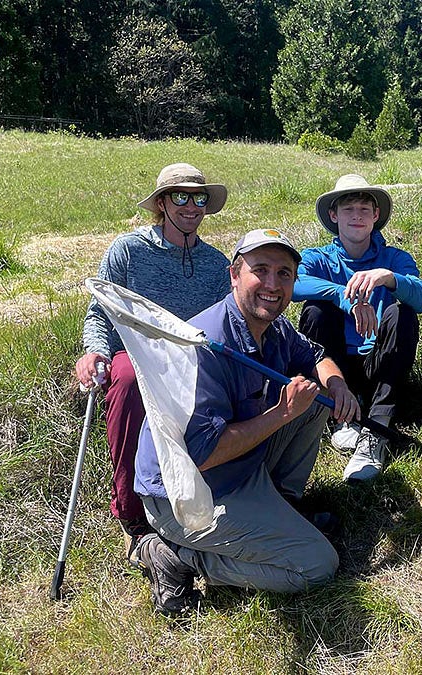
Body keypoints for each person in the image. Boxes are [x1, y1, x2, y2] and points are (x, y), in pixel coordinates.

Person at [133, 229, 360, 616]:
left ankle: (283, 504)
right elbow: (201, 455)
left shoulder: (274, 328)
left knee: (317, 400)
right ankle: (176, 556)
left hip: (239, 469)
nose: (272, 284)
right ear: (234, 274)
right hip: (186, 495)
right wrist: (282, 414)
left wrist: (338, 384)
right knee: (318, 565)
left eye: (284, 273)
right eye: (261, 270)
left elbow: (314, 354)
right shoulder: (205, 346)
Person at [74, 163, 232, 560]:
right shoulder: (128, 251)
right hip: (137, 352)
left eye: (198, 198)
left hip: (191, 360)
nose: (190, 206)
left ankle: (208, 498)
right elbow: (101, 311)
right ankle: (132, 518)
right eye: (180, 197)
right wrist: (96, 351)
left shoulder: (216, 264)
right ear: (161, 203)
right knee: (125, 381)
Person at [293, 174, 422, 482]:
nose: (357, 216)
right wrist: (345, 297)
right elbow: (293, 284)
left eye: (364, 209)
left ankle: (376, 429)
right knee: (316, 310)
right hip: (335, 366)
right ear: (333, 215)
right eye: (348, 209)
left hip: (379, 363)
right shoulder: (318, 258)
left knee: (404, 313)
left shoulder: (394, 258)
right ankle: (340, 414)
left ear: (375, 216)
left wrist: (388, 278)